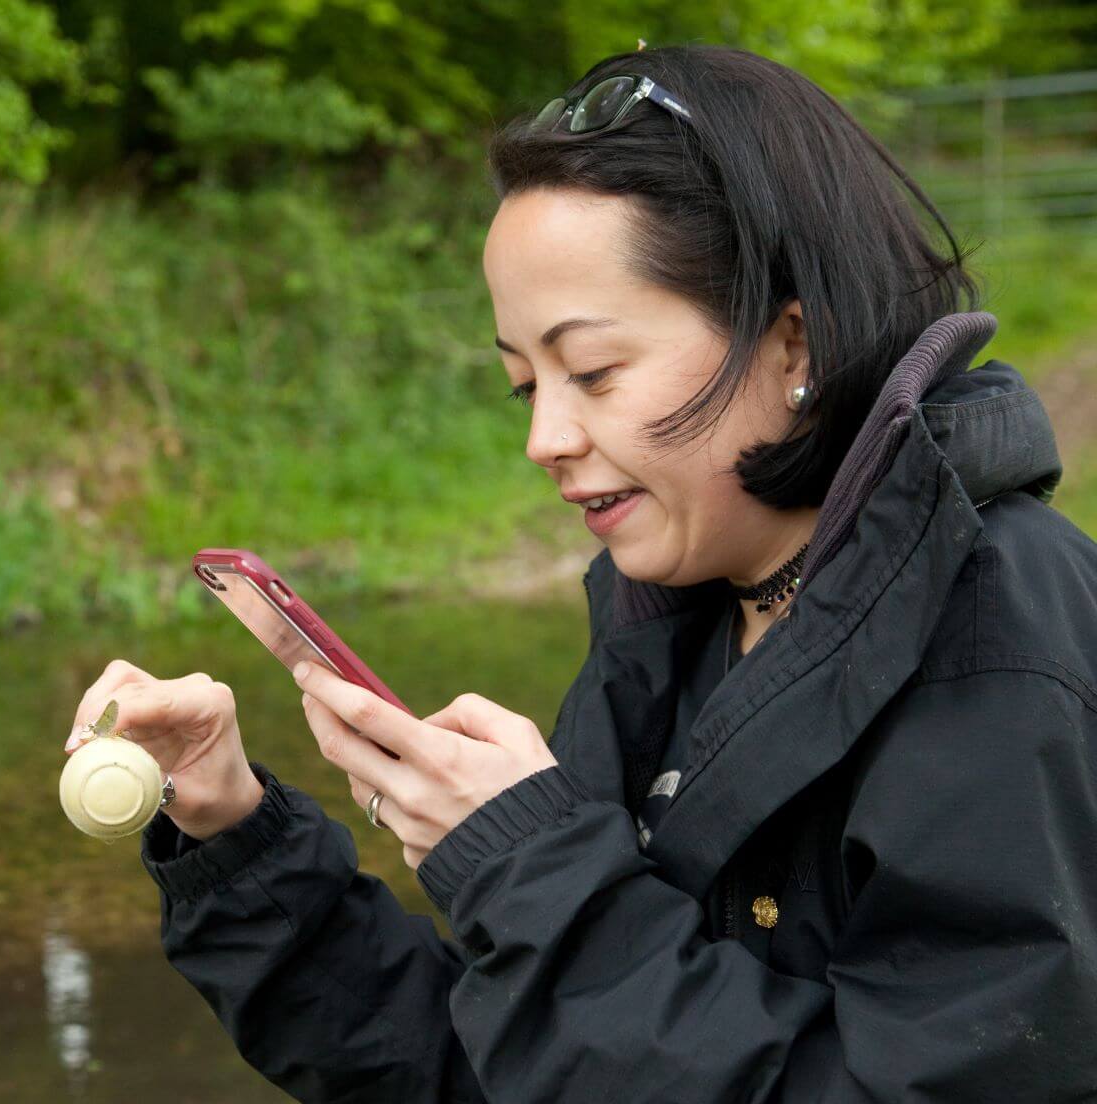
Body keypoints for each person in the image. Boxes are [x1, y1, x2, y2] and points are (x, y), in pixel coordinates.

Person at [65, 44, 1097, 1102]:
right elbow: (501, 1070)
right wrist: (237, 838)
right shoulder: (668, 626)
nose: (544, 440)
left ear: (793, 342)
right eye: (527, 387)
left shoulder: (997, 631)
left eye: (592, 372)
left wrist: (530, 867)